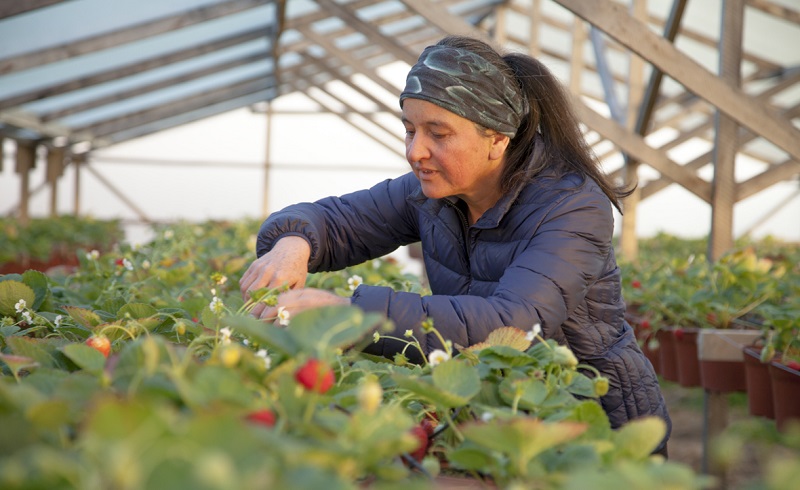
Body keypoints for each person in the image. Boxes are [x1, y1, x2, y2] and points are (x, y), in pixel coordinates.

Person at [239, 35, 671, 455]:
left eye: (438, 134)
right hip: (490, 418)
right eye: (410, 130)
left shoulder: (571, 206)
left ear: (498, 138)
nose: (415, 151)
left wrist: (350, 316)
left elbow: (513, 324)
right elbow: (337, 220)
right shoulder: (434, 195)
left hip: (591, 427)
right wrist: (293, 243)